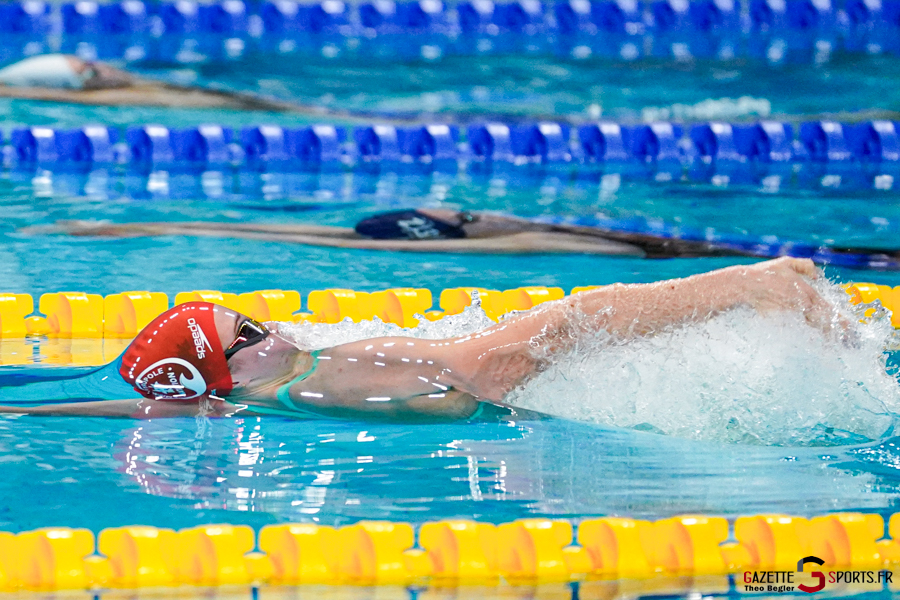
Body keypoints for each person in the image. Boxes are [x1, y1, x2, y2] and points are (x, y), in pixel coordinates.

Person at [0, 257, 835, 420]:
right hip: (486, 366)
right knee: (590, 314)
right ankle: (755, 286)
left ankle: (761, 288)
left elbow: (153, 405)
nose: (275, 326)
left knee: (594, 316)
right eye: (249, 331)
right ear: (223, 373)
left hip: (483, 364)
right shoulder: (292, 388)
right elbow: (451, 394)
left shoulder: (264, 383)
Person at [40, 208, 900, 268]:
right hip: (671, 251)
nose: (472, 206)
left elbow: (295, 231)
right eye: (458, 212)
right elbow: (353, 247)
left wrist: (136, 225)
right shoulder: (535, 243)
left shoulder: (522, 231)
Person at [0, 53, 352, 116]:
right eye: (89, 72)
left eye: (91, 62)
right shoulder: (122, 96)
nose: (104, 69)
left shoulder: (143, 81)